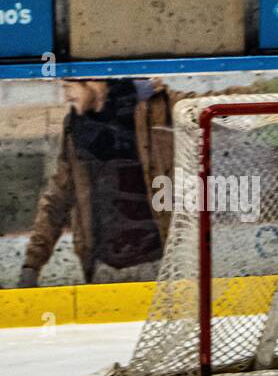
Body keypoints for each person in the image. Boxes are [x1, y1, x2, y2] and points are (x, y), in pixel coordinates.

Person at [18, 78, 174, 288]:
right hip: (104, 269)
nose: (66, 97)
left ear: (93, 80)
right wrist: (32, 264)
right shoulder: (76, 127)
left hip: (161, 265)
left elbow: (203, 103)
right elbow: (57, 199)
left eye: (68, 87)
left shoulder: (158, 107)